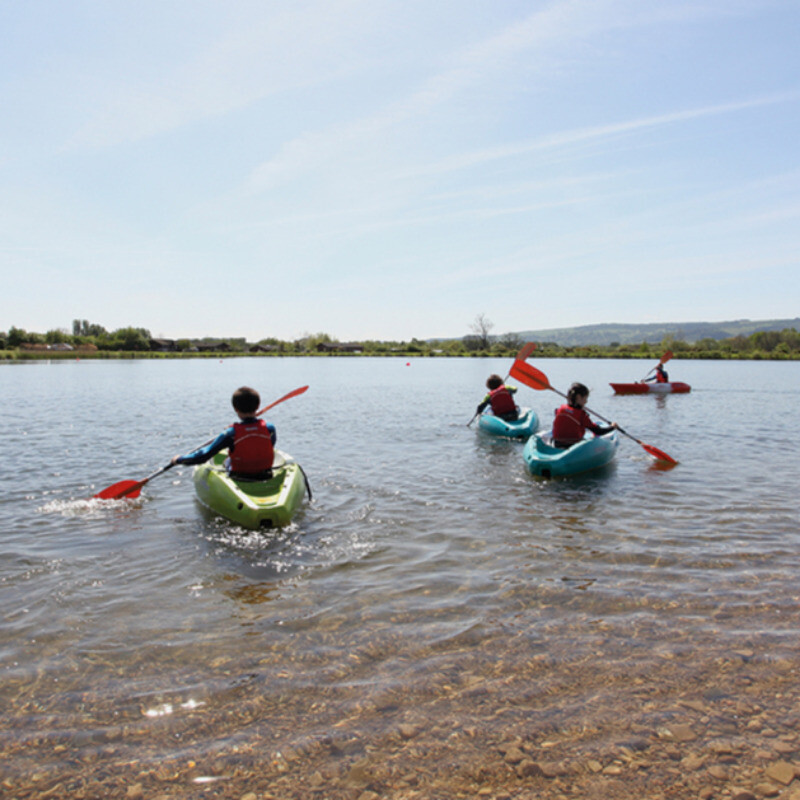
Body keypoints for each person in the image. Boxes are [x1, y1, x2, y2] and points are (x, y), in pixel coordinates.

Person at [171, 386, 276, 478]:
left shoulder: (230, 434)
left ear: (235, 409)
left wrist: (179, 459)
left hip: (239, 475)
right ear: (257, 406)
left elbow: (203, 456)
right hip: (265, 473)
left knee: (226, 459)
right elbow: (266, 445)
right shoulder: (269, 428)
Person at [552, 382, 618, 448]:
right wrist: (612, 427)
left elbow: (562, 415)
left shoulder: (560, 409)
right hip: (573, 445)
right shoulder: (582, 415)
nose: (586, 402)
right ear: (578, 397)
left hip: (557, 444)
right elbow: (598, 431)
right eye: (585, 398)